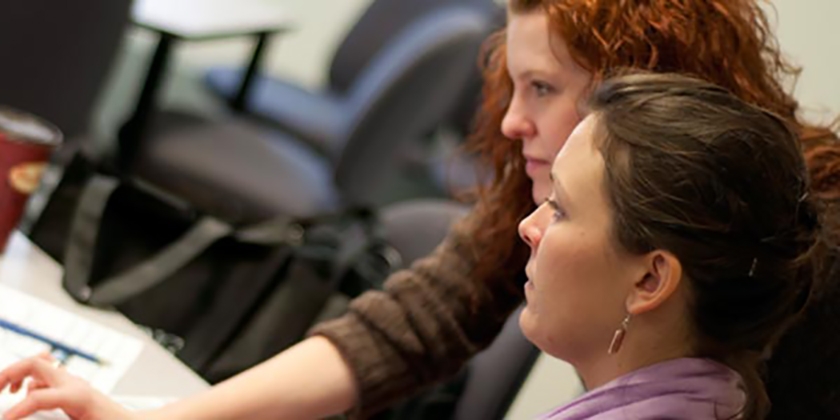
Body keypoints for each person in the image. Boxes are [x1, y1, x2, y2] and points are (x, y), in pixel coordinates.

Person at [2, 0, 840, 418]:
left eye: (543, 89)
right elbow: (417, 321)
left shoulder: (809, 258)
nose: (511, 122)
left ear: (639, 92)